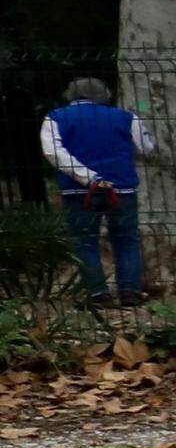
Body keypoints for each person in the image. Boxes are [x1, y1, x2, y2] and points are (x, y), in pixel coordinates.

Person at [40, 77, 150, 307]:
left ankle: (98, 294)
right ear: (105, 94)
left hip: (78, 190)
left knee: (84, 240)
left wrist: (88, 176)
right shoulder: (125, 117)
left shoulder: (55, 117)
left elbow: (53, 153)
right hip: (122, 186)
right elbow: (147, 147)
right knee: (126, 240)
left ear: (70, 94)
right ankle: (130, 291)